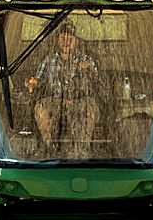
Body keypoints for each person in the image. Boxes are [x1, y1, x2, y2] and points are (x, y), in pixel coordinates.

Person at [23, 24, 104, 154]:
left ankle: (83, 148)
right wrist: (32, 83)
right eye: (63, 38)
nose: (66, 42)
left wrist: (88, 71)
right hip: (55, 100)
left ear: (76, 41)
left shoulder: (86, 60)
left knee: (90, 110)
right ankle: (48, 148)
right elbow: (38, 80)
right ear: (57, 40)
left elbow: (97, 82)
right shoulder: (49, 60)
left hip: (81, 100)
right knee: (40, 108)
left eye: (70, 38)